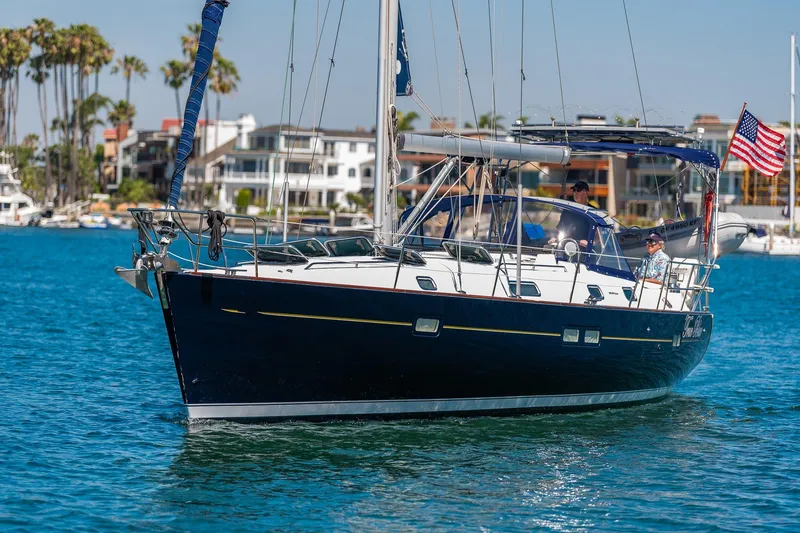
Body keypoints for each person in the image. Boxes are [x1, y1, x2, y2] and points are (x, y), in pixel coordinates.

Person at [548, 180, 595, 247]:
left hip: (585, 250)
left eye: (578, 190)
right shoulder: (567, 210)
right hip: (566, 247)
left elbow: (599, 234)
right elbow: (560, 229)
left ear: (586, 193)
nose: (575, 193)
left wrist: (590, 243)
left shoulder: (593, 212)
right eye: (574, 190)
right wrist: (555, 238)